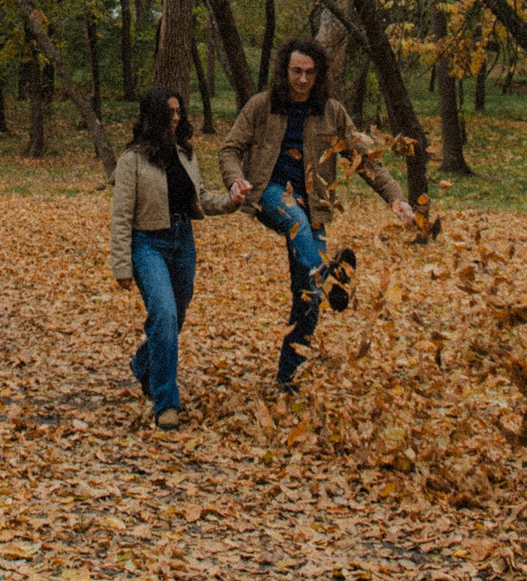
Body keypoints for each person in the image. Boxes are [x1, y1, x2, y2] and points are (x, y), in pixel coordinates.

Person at [219, 39, 414, 388]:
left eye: (310, 73)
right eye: (296, 71)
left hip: (317, 208)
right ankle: (330, 273)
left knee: (308, 297)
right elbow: (230, 149)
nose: (303, 79)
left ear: (319, 75)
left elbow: (365, 160)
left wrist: (396, 200)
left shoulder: (332, 112)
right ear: (285, 71)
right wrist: (236, 181)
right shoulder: (261, 106)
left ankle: (287, 378)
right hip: (270, 193)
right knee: (295, 221)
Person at [110, 85, 249, 429]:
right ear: (153, 116)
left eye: (179, 112)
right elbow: (121, 216)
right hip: (148, 244)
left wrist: (230, 201)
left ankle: (144, 364)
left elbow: (200, 199)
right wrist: (121, 264)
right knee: (165, 314)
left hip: (182, 241)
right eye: (169, 112)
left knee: (175, 318)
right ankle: (166, 403)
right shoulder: (133, 161)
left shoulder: (186, 155)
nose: (176, 118)